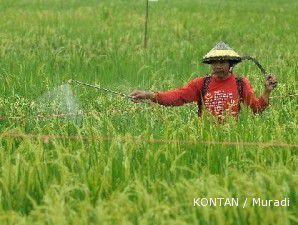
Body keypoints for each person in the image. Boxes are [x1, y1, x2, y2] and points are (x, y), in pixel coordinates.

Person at [129, 42, 277, 122]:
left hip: (233, 140)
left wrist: (267, 91)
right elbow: (176, 97)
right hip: (206, 138)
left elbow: (256, 109)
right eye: (214, 62)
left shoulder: (241, 83)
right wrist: (148, 95)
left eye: (222, 62)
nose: (217, 66)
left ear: (230, 64)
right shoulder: (202, 83)